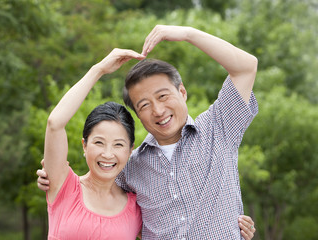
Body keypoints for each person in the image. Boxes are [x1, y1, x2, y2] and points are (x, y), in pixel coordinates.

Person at [38, 25, 258, 239]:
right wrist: (51, 176)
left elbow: (246, 67)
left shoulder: (218, 128)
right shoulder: (131, 167)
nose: (158, 110)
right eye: (144, 105)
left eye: (163, 96)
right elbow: (98, 193)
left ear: (182, 92)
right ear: (138, 115)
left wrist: (187, 34)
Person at [43, 48, 145, 239]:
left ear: (130, 150)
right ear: (84, 145)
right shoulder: (63, 185)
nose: (108, 154)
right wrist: (98, 70)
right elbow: (55, 124)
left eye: (118, 145)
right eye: (99, 142)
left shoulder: (136, 207)